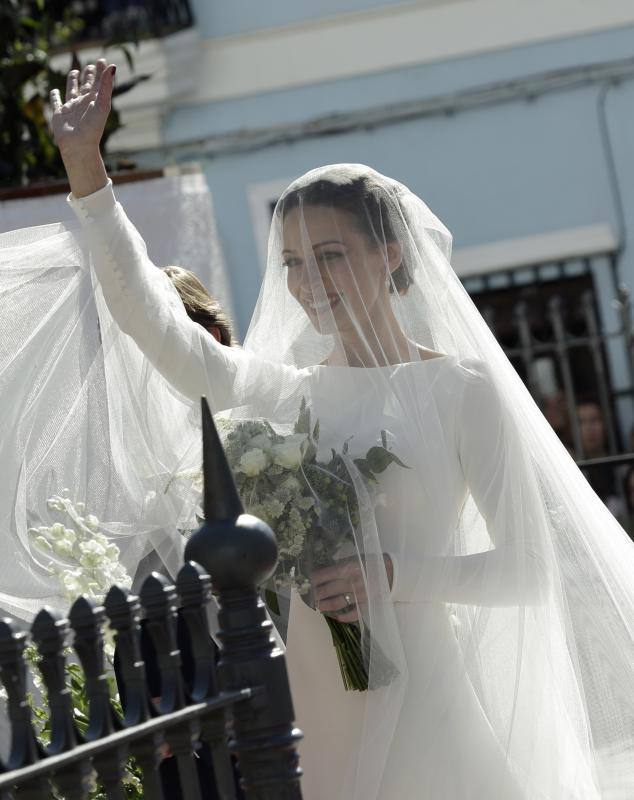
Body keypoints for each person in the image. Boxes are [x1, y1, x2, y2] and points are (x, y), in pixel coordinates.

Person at [0, 59, 632, 799]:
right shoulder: (287, 391)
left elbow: (528, 571)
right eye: (295, 263)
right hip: (317, 695)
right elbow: (161, 330)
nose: (308, 284)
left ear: (391, 254)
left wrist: (393, 576)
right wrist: (87, 175)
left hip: (430, 698)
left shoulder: (462, 390)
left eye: (331, 257)